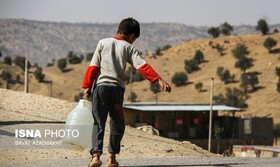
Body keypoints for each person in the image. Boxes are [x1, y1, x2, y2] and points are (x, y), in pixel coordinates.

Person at [82, 17, 171, 167]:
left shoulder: (103, 43)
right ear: (131, 36)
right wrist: (158, 79)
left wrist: (87, 86)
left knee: (98, 122)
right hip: (116, 90)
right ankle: (112, 158)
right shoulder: (128, 47)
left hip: (101, 89)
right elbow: (142, 66)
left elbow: (93, 67)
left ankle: (96, 156)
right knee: (117, 123)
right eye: (134, 39)